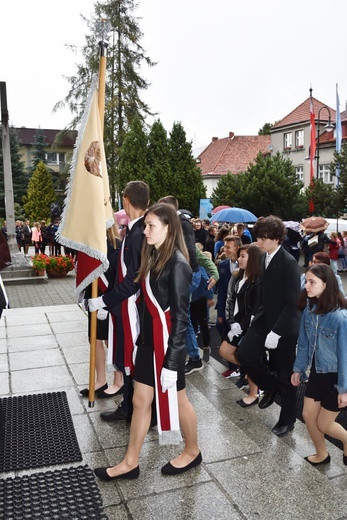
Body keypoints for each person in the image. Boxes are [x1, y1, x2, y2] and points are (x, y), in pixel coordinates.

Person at [94, 202, 201, 481]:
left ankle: (192, 450)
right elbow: (133, 284)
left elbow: (181, 318)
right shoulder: (153, 256)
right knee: (141, 401)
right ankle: (130, 462)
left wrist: (172, 362)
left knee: (179, 400)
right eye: (146, 225)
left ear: (168, 228)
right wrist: (103, 301)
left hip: (167, 345)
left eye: (151, 226)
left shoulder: (178, 264)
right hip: (148, 342)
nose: (146, 231)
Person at [89, 181, 150, 423]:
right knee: (126, 357)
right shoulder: (135, 229)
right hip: (124, 306)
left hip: (133, 308)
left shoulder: (139, 233)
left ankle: (133, 407)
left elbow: (132, 281)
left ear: (126, 200)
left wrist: (104, 301)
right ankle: (129, 404)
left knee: (131, 359)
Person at [237, 215, 301, 437]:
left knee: (285, 373)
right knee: (244, 354)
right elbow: (263, 294)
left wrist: (277, 331)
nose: (260, 242)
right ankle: (270, 385)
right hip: (265, 319)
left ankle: (288, 419)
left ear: (276, 239)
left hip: (284, 326)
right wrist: (254, 316)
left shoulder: (289, 263)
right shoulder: (264, 258)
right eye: (259, 238)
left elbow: (293, 303)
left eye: (264, 239)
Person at [291, 263, 347, 466]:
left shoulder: (340, 317)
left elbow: (345, 356)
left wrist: (343, 389)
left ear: (326, 284)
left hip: (335, 376)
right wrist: (299, 368)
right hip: (317, 372)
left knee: (324, 424)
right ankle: (322, 453)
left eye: (312, 282)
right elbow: (304, 343)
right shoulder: (310, 310)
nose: (306, 286)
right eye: (306, 281)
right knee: (307, 415)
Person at [80, 224, 123, 399]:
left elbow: (118, 276)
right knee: (94, 339)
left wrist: (106, 303)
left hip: (109, 300)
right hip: (94, 299)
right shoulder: (89, 246)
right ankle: (100, 380)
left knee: (111, 341)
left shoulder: (116, 245)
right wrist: (85, 295)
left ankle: (119, 381)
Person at [219, 244, 262, 406]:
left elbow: (255, 309)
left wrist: (241, 326)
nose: (238, 259)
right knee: (225, 351)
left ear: (253, 258)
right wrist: (231, 322)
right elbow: (230, 300)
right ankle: (255, 374)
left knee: (247, 358)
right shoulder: (237, 276)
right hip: (236, 323)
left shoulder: (258, 280)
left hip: (249, 327)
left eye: (243, 256)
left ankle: (253, 392)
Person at [216, 235, 242, 377]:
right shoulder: (224, 264)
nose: (224, 249)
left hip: (239, 311)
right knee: (224, 334)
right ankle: (232, 366)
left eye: (228, 247)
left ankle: (241, 368)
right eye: (224, 246)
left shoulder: (245, 265)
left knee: (238, 340)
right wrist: (220, 312)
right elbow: (221, 291)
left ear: (237, 248)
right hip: (225, 309)